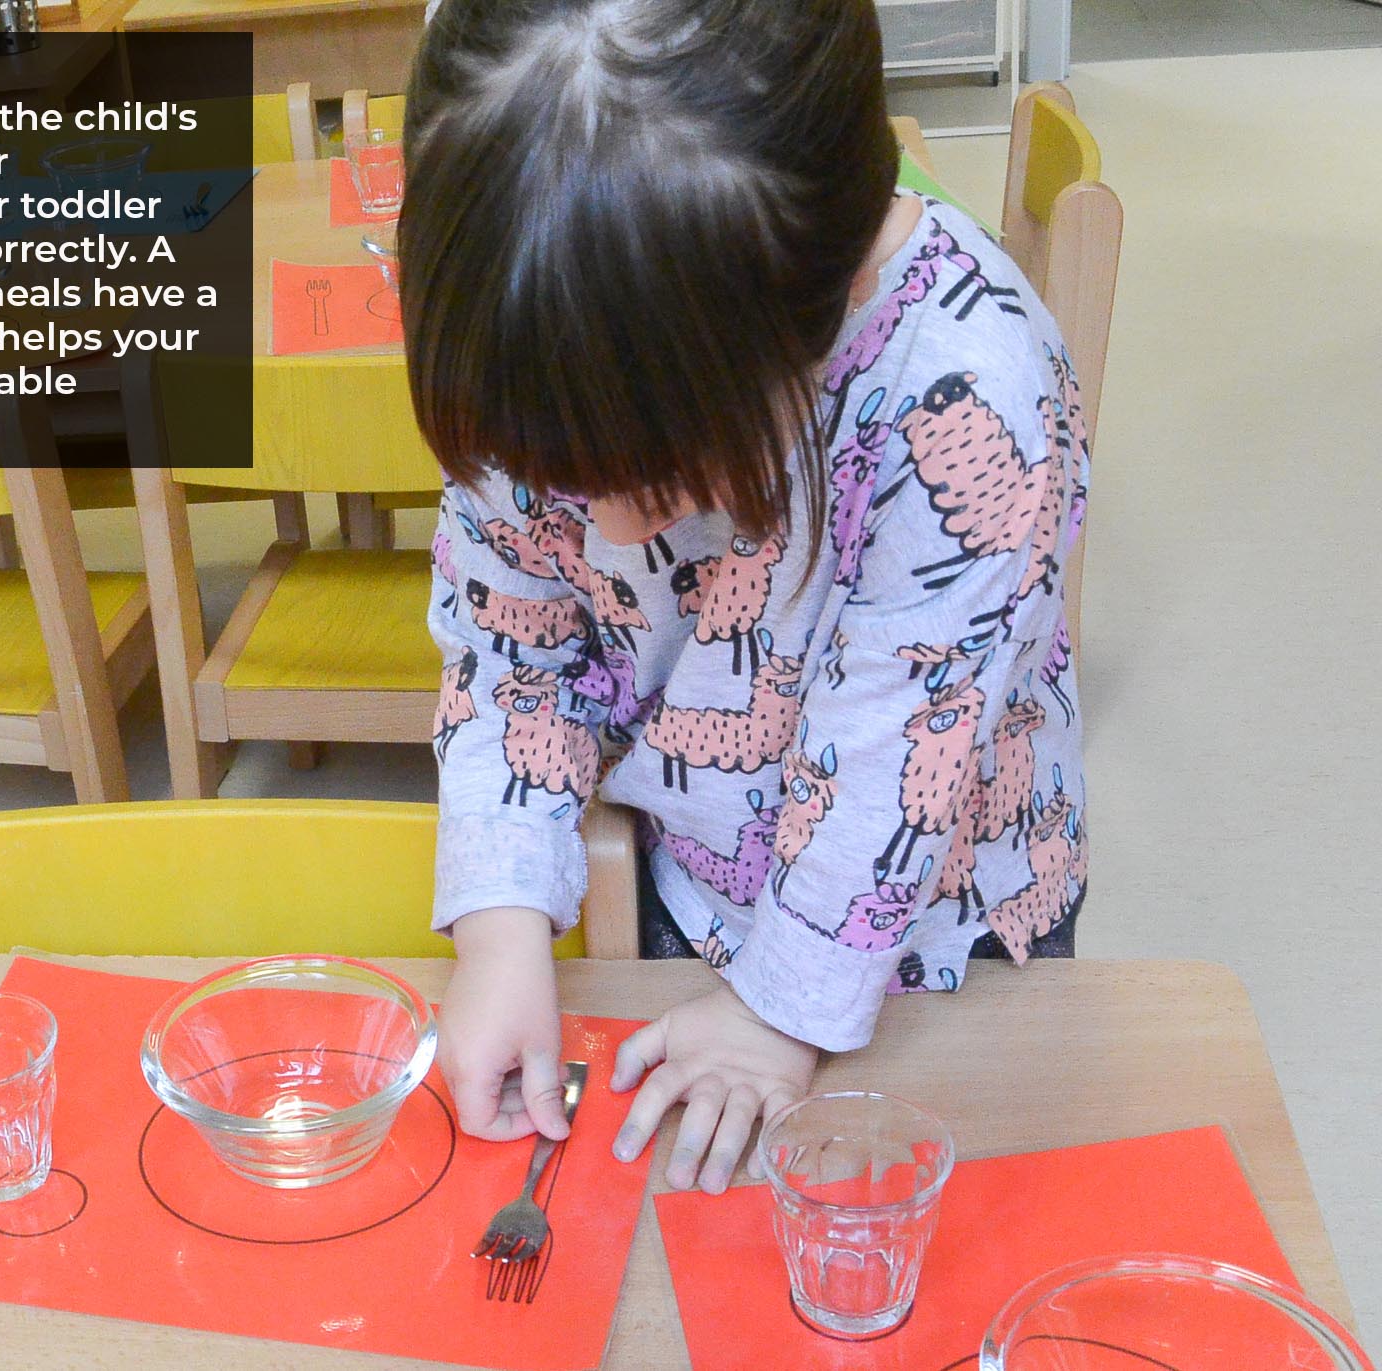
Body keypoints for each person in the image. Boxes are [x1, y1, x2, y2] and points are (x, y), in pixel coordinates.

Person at [406, 0, 1090, 1193]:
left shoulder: (972, 391)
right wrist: (503, 918)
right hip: (697, 873)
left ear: (804, 308)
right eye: (560, 480)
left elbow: (897, 762)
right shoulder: (540, 309)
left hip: (930, 933)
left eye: (658, 478)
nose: (603, 530)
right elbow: (507, 635)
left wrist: (780, 1012)